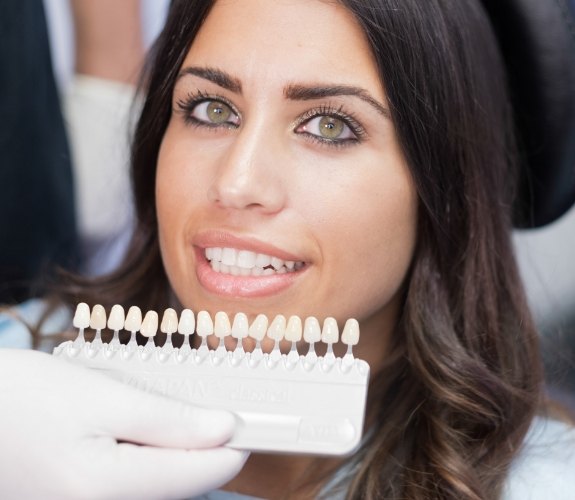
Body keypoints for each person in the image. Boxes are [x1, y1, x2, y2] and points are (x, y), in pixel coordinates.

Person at [1, 0, 574, 498]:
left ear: (445, 188)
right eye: (212, 110)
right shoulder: (18, 377)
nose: (236, 183)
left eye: (328, 127)